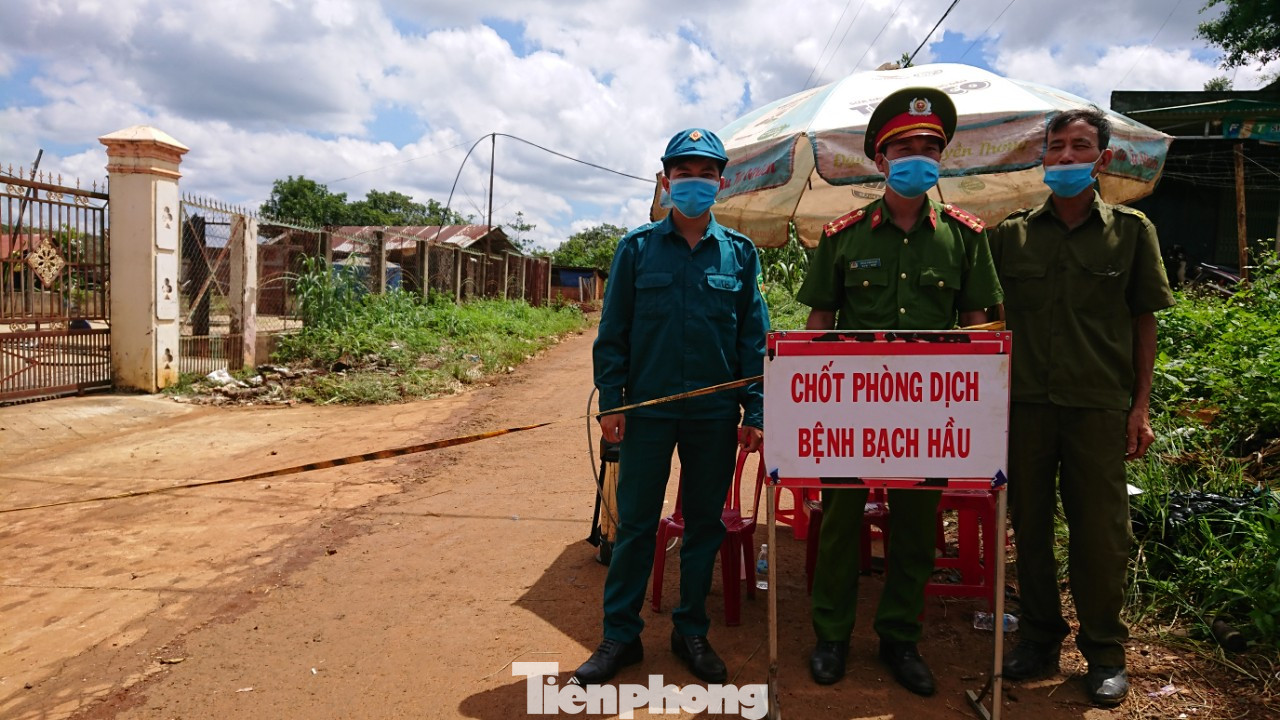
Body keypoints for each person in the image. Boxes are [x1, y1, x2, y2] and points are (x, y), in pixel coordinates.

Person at [796, 88, 1003, 696]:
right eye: (906, 148)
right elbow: (818, 326)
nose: (920, 157)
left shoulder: (965, 238)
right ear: (881, 161)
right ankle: (831, 636)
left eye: (930, 148)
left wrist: (981, 408)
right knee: (838, 522)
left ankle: (899, 638)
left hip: (931, 412)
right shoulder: (844, 235)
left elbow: (978, 328)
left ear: (942, 158)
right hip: (850, 410)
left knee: (917, 528)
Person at [988, 107, 1174, 706]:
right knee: (1031, 528)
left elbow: (1143, 322)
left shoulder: (1131, 230)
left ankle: (1104, 653)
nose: (1066, 158)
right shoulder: (1010, 234)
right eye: (1056, 147)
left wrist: (1139, 407)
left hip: (1098, 407)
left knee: (1101, 534)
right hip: (1025, 408)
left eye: (1079, 147)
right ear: (1043, 157)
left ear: (1103, 159)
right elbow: (986, 321)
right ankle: (1040, 637)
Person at [574, 128, 769, 686]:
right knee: (635, 525)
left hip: (713, 417)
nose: (695, 183)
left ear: (721, 184)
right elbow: (613, 334)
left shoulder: (741, 253)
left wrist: (754, 412)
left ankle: (691, 630)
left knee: (704, 523)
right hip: (647, 413)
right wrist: (613, 402)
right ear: (665, 182)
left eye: (706, 173)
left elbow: (753, 342)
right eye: (684, 173)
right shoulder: (635, 249)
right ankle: (620, 636)